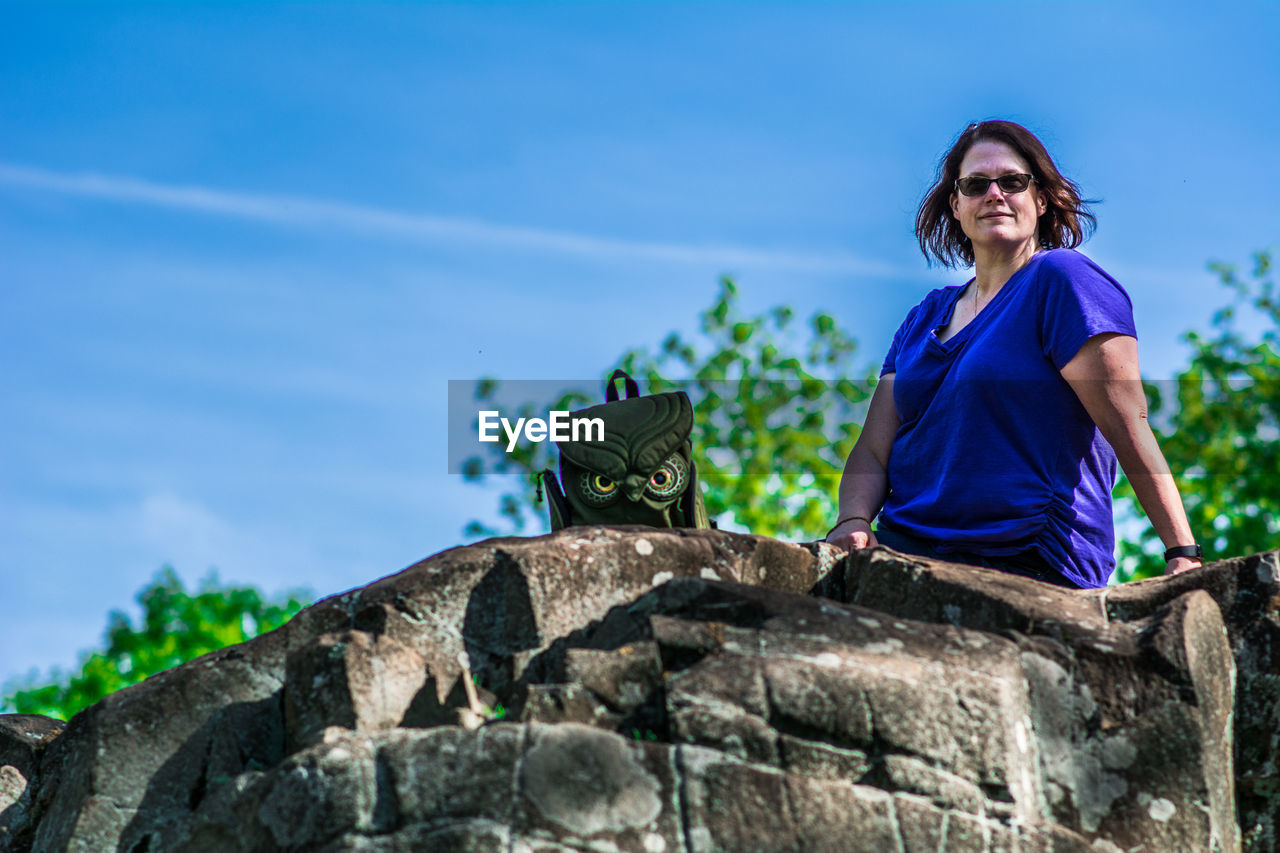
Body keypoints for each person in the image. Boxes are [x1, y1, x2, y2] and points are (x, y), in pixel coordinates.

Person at [825, 120, 1202, 588]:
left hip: (1027, 562)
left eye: (1013, 181)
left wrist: (1181, 550)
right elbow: (874, 450)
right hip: (903, 560)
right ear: (957, 206)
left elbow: (1128, 421)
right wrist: (852, 521)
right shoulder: (923, 317)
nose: (994, 194)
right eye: (976, 184)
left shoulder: (1063, 281)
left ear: (1040, 199)